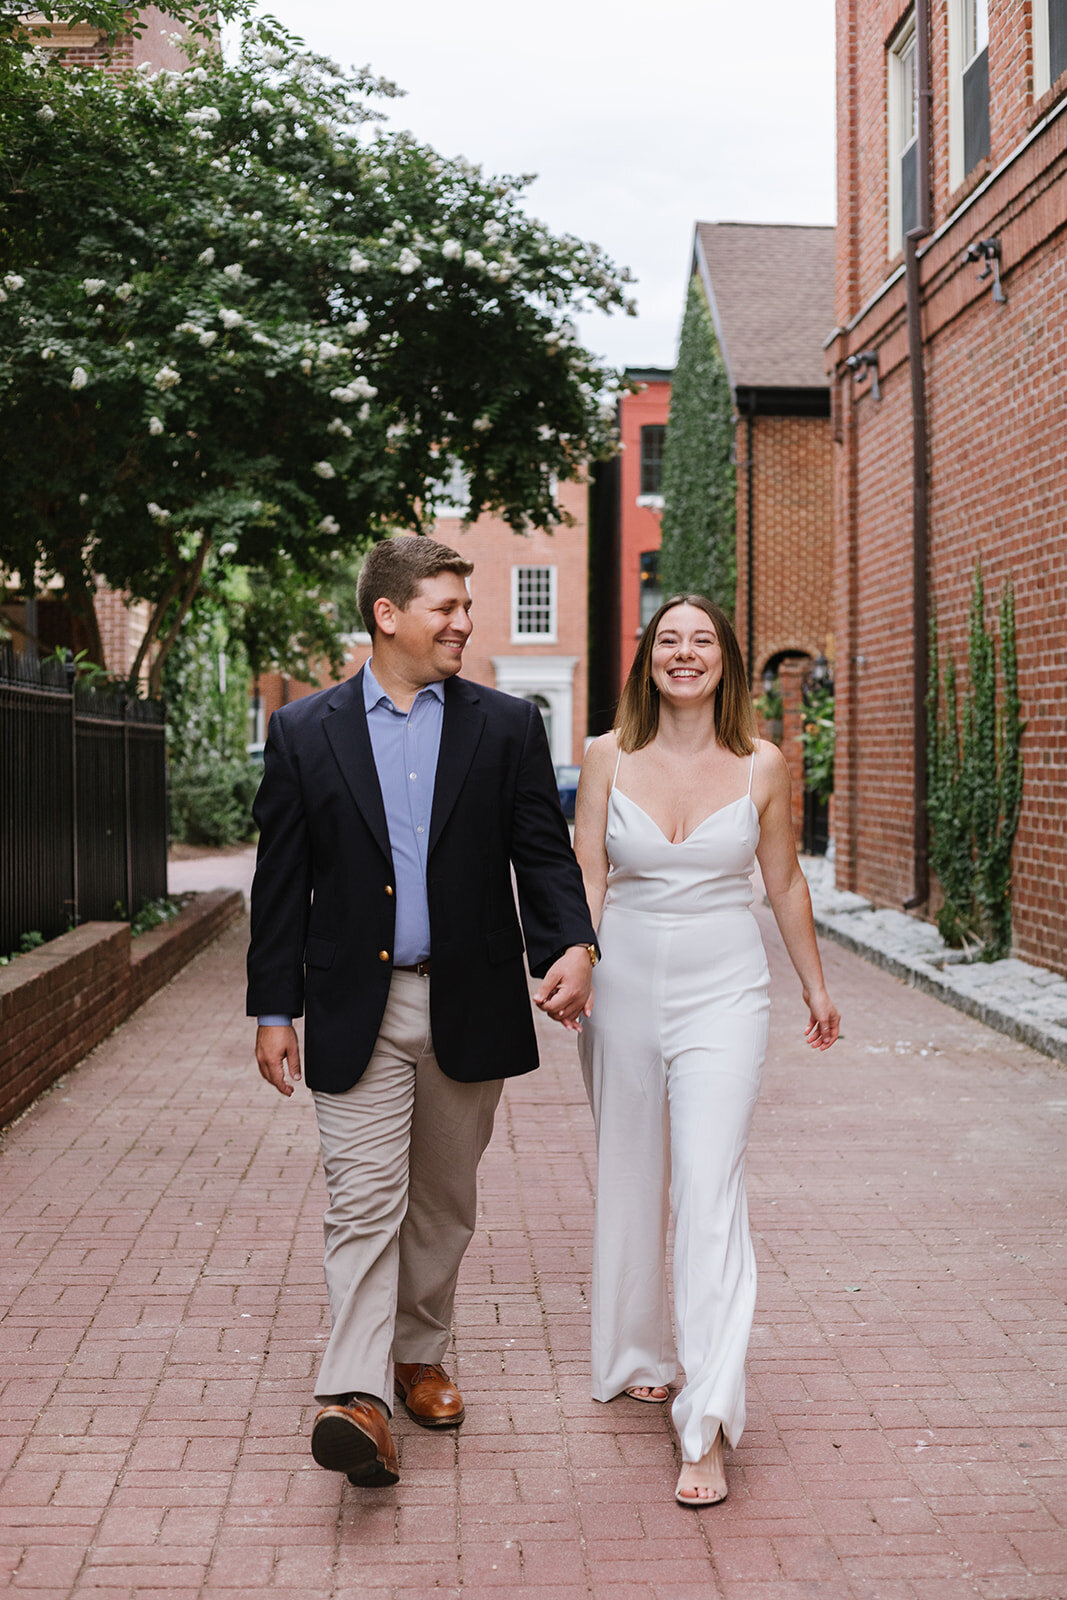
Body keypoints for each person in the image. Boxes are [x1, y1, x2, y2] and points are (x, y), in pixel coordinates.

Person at [247, 534, 598, 1488]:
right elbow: (281, 885)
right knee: (363, 1203)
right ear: (386, 615)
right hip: (356, 1003)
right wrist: (273, 1008)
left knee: (442, 1205)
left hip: (469, 999)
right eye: (444, 607)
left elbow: (541, 850)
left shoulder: (506, 724)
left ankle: (417, 1355)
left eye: (465, 607)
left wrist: (570, 943)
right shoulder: (306, 732)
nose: (464, 623)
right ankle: (354, 1396)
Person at [573, 594, 839, 1507]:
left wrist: (813, 984)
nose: (683, 654)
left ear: (724, 660)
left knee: (708, 1185)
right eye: (667, 641)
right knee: (630, 1170)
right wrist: (575, 963)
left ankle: (708, 1418)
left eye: (701, 642)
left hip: (726, 993)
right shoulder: (604, 755)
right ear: (647, 659)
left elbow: (784, 882)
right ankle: (635, 1354)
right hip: (624, 988)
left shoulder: (762, 763)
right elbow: (588, 876)